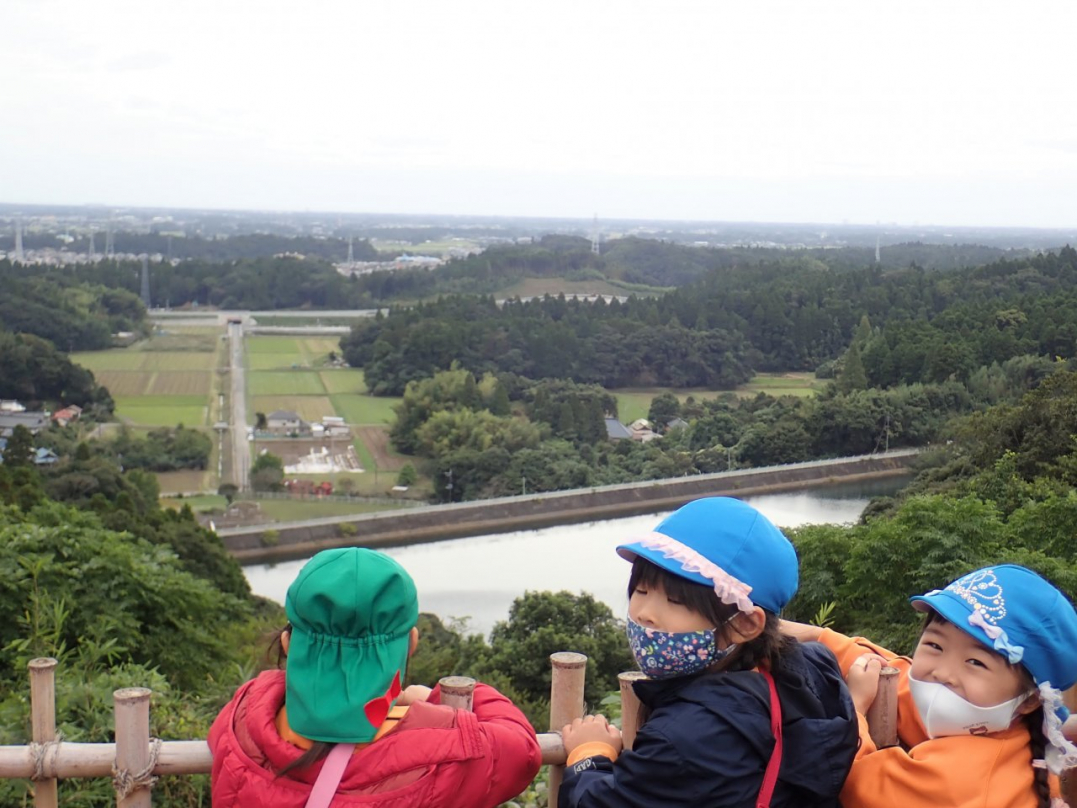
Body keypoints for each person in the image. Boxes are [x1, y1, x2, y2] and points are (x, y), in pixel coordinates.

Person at [559, 496, 858, 807]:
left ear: (744, 624)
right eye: (642, 590)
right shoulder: (812, 670)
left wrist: (589, 756)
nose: (644, 613)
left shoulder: (682, 738)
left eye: (675, 601)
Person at [208, 547, 541, 807]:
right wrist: (432, 697)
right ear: (411, 644)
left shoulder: (242, 722)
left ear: (286, 643)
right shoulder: (441, 758)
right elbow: (521, 748)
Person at [782, 564, 1077, 808]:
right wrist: (821, 638)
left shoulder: (959, 783)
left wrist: (855, 708)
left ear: (1030, 699)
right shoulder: (998, 727)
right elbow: (897, 678)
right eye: (935, 645)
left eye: (975, 662)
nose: (942, 673)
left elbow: (854, 780)